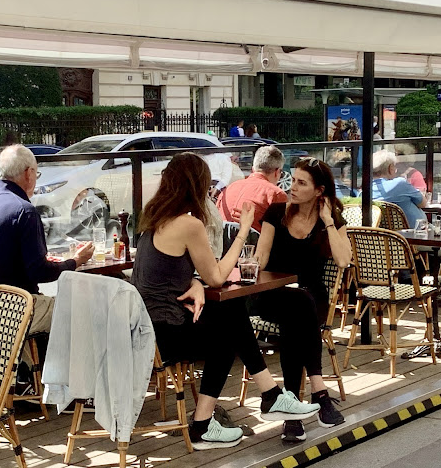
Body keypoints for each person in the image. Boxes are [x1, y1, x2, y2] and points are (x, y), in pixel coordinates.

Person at [131, 152, 320, 451]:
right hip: (165, 335)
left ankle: (261, 401)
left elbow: (173, 272)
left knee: (229, 311)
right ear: (196, 186)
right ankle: (251, 404)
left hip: (148, 330)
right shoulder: (188, 224)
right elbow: (218, 277)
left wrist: (193, 282)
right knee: (227, 333)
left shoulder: (154, 219)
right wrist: (244, 230)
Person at [253, 157, 351, 442]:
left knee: (300, 310)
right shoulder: (275, 213)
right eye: (292, 180)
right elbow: (260, 260)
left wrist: (329, 222)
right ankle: (320, 393)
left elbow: (344, 260)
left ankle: (292, 416)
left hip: (310, 298)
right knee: (299, 305)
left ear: (319, 191)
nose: (292, 187)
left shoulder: (330, 220)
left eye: (301, 182)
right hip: (274, 294)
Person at [0, 145, 94, 369]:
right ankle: (74, 388)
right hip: (18, 307)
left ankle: (29, 377)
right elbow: (40, 272)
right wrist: (76, 261)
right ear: (28, 174)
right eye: (37, 173)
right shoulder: (24, 211)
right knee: (84, 310)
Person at [216, 145, 288, 232]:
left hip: (223, 243)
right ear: (277, 172)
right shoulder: (276, 194)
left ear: (253, 169)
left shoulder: (228, 189)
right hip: (256, 243)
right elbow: (283, 233)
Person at [371, 150, 426, 228]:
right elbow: (423, 203)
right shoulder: (400, 184)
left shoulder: (366, 191)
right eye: (394, 166)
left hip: (385, 236)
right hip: (414, 234)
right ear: (390, 168)